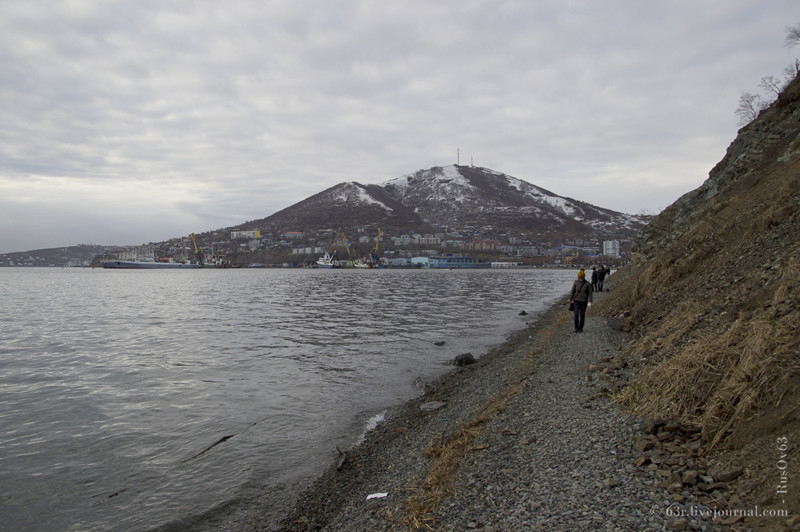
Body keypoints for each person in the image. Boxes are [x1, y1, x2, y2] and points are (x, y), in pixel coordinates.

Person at [569, 269, 593, 333]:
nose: (580, 278)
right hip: (576, 301)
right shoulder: (575, 282)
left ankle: (581, 328)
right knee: (576, 314)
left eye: (582, 277)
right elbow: (572, 291)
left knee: (582, 315)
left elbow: (590, 293)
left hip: (584, 301)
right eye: (580, 277)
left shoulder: (588, 284)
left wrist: (590, 300)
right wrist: (570, 299)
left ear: (584, 277)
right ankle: (576, 327)